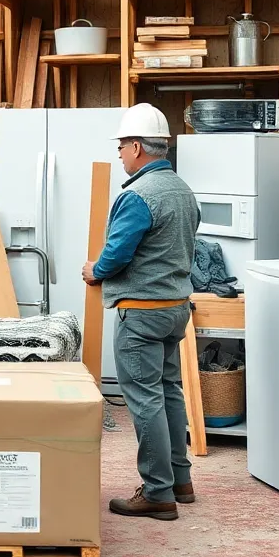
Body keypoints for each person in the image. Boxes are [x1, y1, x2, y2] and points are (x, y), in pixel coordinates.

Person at [81, 103, 200, 521]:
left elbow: (117, 255)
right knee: (168, 392)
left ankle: (157, 492)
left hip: (142, 313)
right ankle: (179, 481)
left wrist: (94, 270)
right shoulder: (183, 189)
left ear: (136, 146)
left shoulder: (136, 196)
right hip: (175, 309)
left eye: (121, 145)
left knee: (145, 400)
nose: (118, 152)